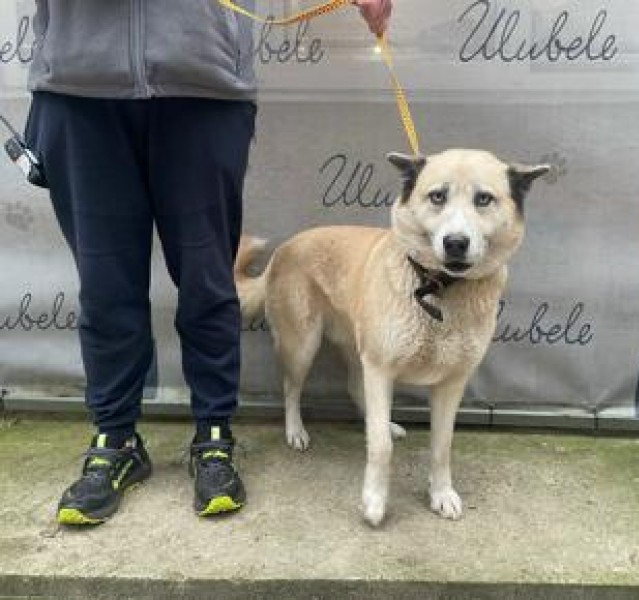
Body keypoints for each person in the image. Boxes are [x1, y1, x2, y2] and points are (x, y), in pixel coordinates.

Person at [24, 0, 392, 525]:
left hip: (204, 86)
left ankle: (214, 436)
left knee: (208, 280)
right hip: (78, 90)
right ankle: (115, 438)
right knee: (105, 287)